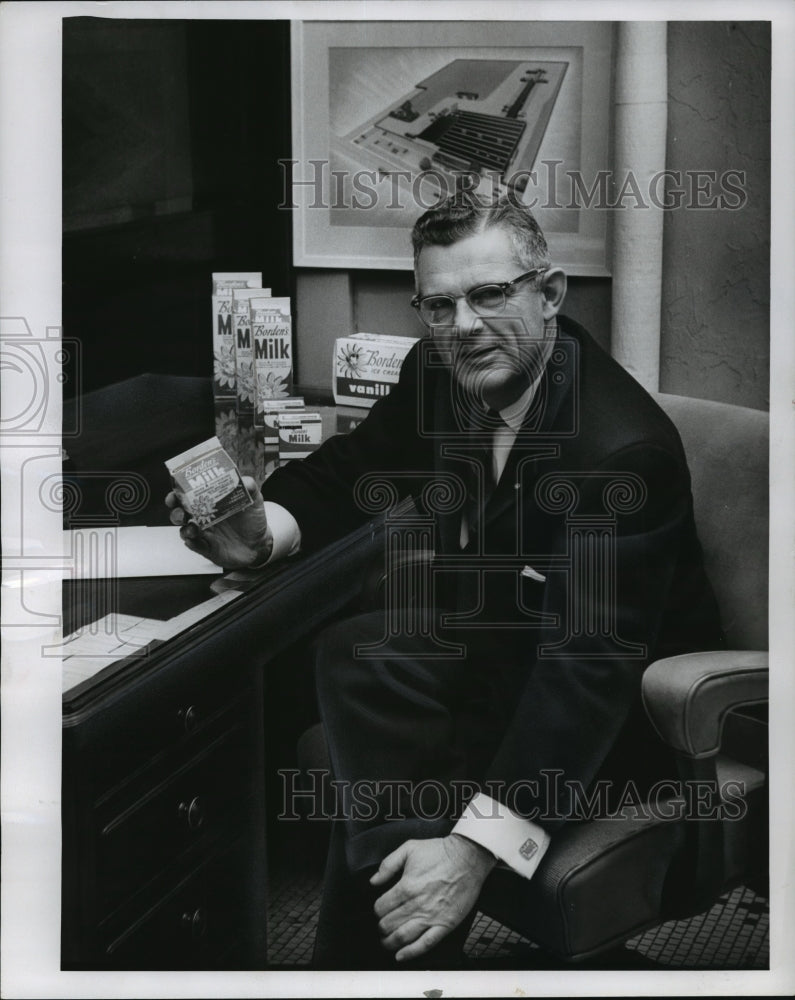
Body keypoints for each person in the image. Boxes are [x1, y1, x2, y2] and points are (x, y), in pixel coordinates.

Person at [167, 192, 724, 969]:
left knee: (403, 800)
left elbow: (585, 680)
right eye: (439, 304)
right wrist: (261, 537)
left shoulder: (617, 456)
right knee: (356, 656)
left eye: (490, 294)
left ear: (549, 293)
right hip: (505, 652)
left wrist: (473, 852)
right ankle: (398, 933)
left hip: (617, 721)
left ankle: (375, 959)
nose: (463, 325)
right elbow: (349, 470)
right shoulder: (442, 368)